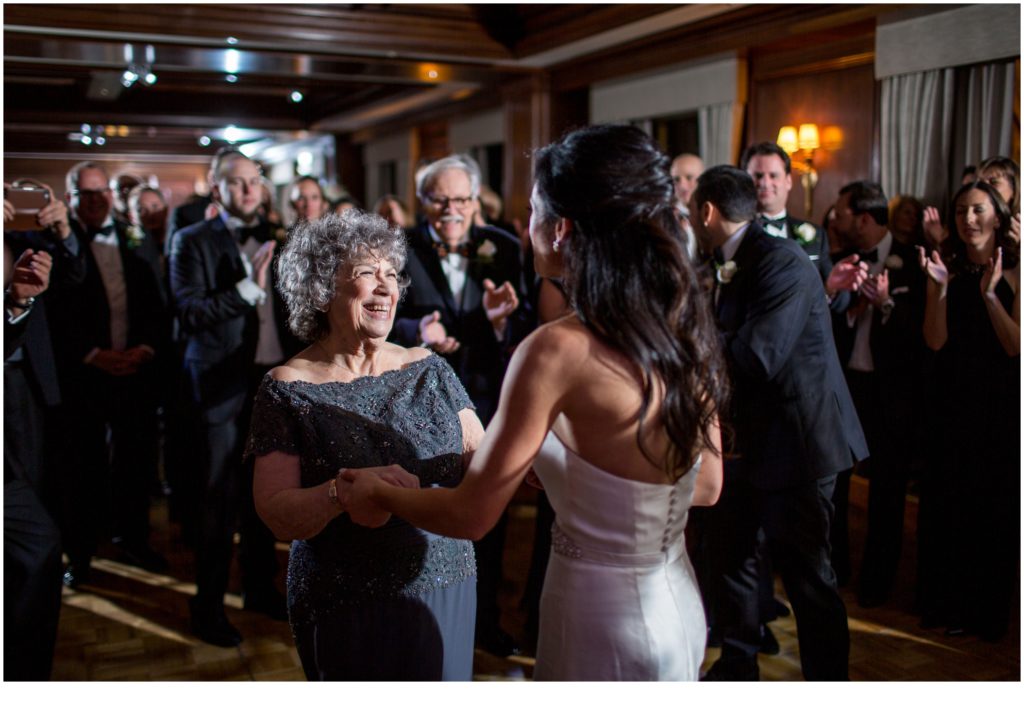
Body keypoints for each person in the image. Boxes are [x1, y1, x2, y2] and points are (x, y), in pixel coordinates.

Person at [344, 124, 727, 681]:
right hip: (679, 603)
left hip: (599, 615)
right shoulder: (680, 324)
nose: (526, 228)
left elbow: (472, 515)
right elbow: (707, 484)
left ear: (562, 228)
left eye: (533, 212)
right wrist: (574, 477)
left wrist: (380, 491)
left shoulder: (555, 349)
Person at [248, 210, 478, 680]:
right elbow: (274, 511)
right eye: (367, 273)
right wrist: (341, 492)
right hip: (345, 596)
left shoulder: (429, 369)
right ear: (321, 287)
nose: (386, 287)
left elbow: (486, 462)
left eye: (391, 275)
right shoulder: (286, 387)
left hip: (447, 580)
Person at [691, 165, 866, 681]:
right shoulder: (717, 261)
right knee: (734, 557)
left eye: (691, 211)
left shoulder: (784, 262)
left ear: (706, 210)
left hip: (798, 444)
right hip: (742, 442)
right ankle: (739, 663)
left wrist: (683, 345)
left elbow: (756, 356)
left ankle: (826, 681)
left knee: (808, 577)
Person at [392, 153, 531, 656]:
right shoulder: (398, 249)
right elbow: (381, 318)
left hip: (488, 399)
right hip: (418, 406)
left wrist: (498, 323)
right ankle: (423, 618)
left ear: (476, 202)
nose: (451, 209)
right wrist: (416, 332)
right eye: (439, 198)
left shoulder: (507, 247)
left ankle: (484, 620)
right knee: (424, 515)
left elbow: (527, 324)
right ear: (423, 201)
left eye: (462, 199)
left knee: (486, 516)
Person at [169, 151, 288, 647]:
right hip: (219, 387)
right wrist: (245, 289)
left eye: (252, 182)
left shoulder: (282, 242)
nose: (246, 191)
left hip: (272, 384)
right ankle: (208, 607)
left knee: (266, 493)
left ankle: (260, 591)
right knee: (217, 500)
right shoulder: (190, 240)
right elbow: (189, 313)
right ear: (216, 190)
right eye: (235, 184)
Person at [48, 161, 169, 586]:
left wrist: (146, 348)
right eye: (86, 194)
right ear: (70, 199)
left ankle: (133, 539)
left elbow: (157, 300)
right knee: (82, 467)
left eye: (103, 192)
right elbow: (53, 314)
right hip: (83, 376)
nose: (97, 200)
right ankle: (79, 556)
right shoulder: (56, 242)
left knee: (135, 463)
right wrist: (92, 354)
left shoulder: (132, 236)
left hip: (134, 372)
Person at [916, 180, 1020, 641]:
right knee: (952, 503)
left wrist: (991, 295)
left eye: (977, 210)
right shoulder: (947, 269)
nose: (968, 220)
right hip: (953, 402)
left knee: (994, 507)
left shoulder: (1017, 270)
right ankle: (950, 603)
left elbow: (1016, 347)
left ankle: (991, 611)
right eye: (960, 212)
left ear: (998, 215)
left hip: (1002, 406)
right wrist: (938, 292)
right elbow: (935, 341)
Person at [830, 181, 926, 607]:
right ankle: (834, 570)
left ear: (864, 219)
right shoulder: (841, 262)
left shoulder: (915, 263)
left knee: (886, 492)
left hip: (893, 395)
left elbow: (921, 338)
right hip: (850, 387)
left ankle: (875, 584)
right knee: (835, 483)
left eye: (843, 213)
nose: (836, 220)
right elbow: (832, 329)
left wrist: (886, 304)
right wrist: (854, 308)